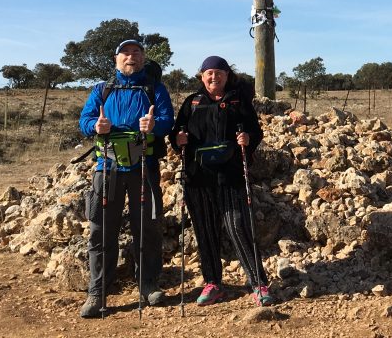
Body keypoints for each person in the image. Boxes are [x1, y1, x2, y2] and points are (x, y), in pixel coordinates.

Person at [77, 39, 174, 318]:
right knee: (101, 230)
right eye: (125, 53)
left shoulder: (155, 90)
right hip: (107, 169)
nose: (130, 57)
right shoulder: (101, 90)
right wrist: (96, 125)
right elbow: (84, 121)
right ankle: (97, 292)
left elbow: (168, 120)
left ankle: (148, 284)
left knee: (148, 227)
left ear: (143, 59)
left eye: (136, 53)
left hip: (145, 167)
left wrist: (155, 125)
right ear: (116, 59)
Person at [171, 55, 272, 306]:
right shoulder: (192, 102)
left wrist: (248, 139)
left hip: (231, 174)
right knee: (205, 230)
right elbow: (177, 134)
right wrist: (178, 139)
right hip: (198, 177)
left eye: (219, 72)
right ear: (201, 76)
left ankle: (258, 282)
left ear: (228, 76)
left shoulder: (239, 101)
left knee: (237, 225)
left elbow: (255, 131)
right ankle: (213, 283)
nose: (214, 77)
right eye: (209, 73)